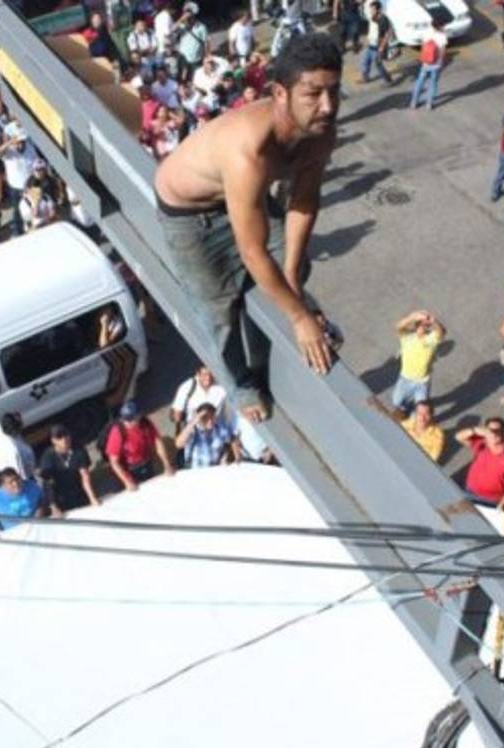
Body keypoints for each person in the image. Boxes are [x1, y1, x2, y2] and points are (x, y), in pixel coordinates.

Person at [154, 34, 342, 423]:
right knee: (220, 308)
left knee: (296, 267)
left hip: (243, 199)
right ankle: (240, 382)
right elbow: (252, 251)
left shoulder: (320, 131)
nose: (327, 106)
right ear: (280, 93)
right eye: (313, 94)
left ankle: (265, 345)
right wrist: (300, 317)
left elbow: (304, 200)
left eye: (334, 92)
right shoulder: (250, 150)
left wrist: (290, 276)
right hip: (191, 218)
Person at [105, 399, 174, 490]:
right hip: (129, 469)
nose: (126, 423)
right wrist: (127, 481)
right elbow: (114, 462)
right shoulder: (117, 432)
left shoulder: (145, 423)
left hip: (146, 463)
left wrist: (167, 464)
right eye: (125, 420)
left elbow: (158, 442)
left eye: (130, 420)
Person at [391, 310, 445, 416]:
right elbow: (398, 327)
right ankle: (405, 408)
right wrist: (412, 317)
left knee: (420, 411)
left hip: (422, 382)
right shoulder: (407, 337)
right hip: (405, 378)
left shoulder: (431, 340)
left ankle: (414, 415)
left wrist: (434, 321)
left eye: (426, 325)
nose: (423, 327)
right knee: (396, 401)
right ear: (416, 325)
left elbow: (441, 332)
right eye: (420, 324)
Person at [38, 424, 99, 515]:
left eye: (65, 435)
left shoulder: (78, 449)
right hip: (61, 496)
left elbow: (84, 475)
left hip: (79, 492)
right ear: (53, 441)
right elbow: (47, 483)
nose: (64, 439)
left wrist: (92, 498)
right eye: (59, 437)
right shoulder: (48, 456)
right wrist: (53, 506)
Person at [455, 418, 504, 506]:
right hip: (470, 492)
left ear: (503, 433)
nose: (493, 434)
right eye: (490, 430)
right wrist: (475, 430)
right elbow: (458, 437)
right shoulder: (481, 444)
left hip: (492, 500)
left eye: (497, 431)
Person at [169, 364, 228, 436]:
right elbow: (177, 413)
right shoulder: (187, 387)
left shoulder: (221, 385)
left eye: (211, 373)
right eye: (205, 374)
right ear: (198, 374)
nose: (208, 378)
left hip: (217, 428)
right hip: (195, 432)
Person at [175, 402, 236, 467]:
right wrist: (194, 421)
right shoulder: (192, 429)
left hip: (215, 469)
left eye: (212, 417)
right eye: (205, 417)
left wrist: (226, 456)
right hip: (195, 470)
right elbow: (178, 444)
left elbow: (230, 441)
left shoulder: (220, 429)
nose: (210, 421)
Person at [409, 20, 447, 110]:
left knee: (420, 81)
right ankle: (429, 104)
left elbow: (423, 46)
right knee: (433, 83)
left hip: (425, 63)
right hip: (435, 64)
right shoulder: (442, 36)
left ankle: (414, 102)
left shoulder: (426, 32)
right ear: (440, 26)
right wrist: (441, 61)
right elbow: (442, 50)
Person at [0, 411, 36, 478]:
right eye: (20, 425)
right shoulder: (15, 451)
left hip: (3, 469)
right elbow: (21, 474)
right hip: (21, 473)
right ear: (14, 431)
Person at [357, 2, 393, 85]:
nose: (371, 11)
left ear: (379, 10)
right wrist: (368, 38)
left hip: (378, 45)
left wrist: (382, 47)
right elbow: (371, 29)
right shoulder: (373, 17)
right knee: (366, 61)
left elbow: (387, 34)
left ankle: (388, 80)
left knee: (378, 64)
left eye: (373, 9)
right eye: (371, 9)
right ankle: (365, 77)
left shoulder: (383, 20)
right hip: (371, 44)